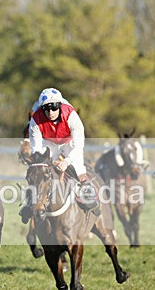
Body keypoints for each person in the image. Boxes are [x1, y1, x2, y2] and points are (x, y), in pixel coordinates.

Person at [19, 88, 99, 223]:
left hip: (69, 143)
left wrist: (66, 162)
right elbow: (36, 149)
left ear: (60, 106)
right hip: (49, 143)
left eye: (54, 108)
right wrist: (44, 162)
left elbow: (79, 145)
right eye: (46, 108)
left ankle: (89, 195)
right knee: (39, 170)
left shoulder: (72, 115)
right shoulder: (35, 120)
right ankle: (29, 203)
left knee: (78, 169)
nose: (50, 112)